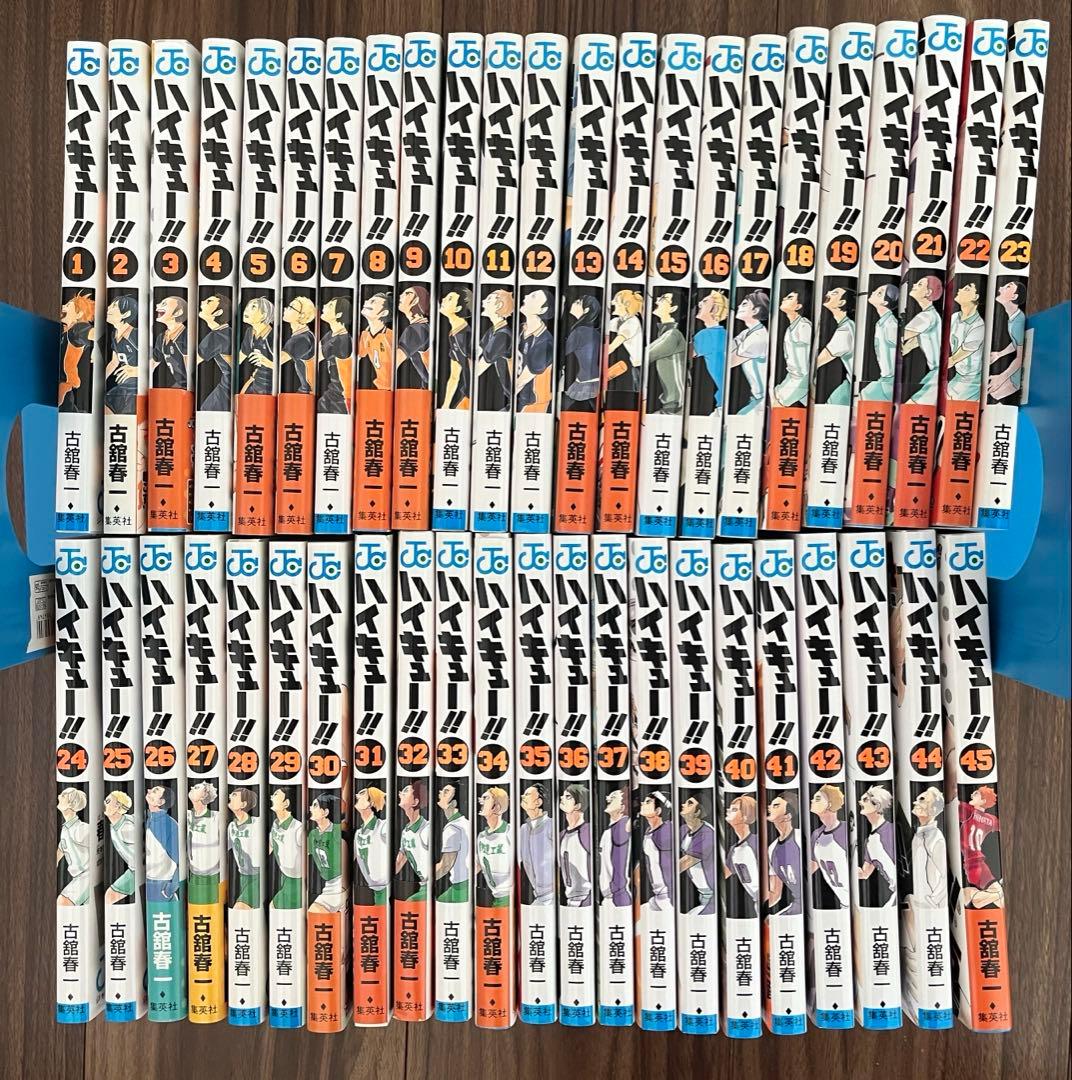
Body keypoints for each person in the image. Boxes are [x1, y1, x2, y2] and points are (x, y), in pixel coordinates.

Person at [958, 785, 1003, 908]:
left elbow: (952, 802)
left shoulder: (969, 812)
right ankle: (968, 896)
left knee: (999, 896)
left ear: (983, 801)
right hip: (978, 864)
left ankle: (968, 896)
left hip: (972, 864)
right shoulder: (991, 819)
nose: (971, 795)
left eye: (976, 794)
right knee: (999, 894)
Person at [726, 291, 770, 414]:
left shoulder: (758, 337)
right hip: (756, 398)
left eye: (744, 304)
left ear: (756, 310)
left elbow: (728, 362)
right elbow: (727, 349)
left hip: (763, 400)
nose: (739, 306)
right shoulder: (746, 332)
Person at [901, 275, 943, 403]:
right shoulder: (932, 314)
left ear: (928, 292)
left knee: (912, 407)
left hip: (936, 374)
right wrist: (907, 347)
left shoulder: (926, 316)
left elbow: (902, 336)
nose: (914, 285)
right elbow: (922, 339)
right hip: (936, 373)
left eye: (919, 284)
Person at [812, 286, 855, 405]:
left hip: (852, 387)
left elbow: (820, 360)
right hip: (849, 384)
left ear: (841, 303)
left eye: (834, 293)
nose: (828, 292)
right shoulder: (847, 325)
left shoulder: (845, 330)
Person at [808, 785, 849, 909]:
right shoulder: (816, 834)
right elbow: (812, 865)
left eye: (817, 798)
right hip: (842, 902)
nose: (812, 800)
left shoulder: (847, 830)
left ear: (829, 804)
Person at [514, 288, 555, 412]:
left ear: (542, 310)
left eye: (533, 296)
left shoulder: (545, 342)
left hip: (531, 406)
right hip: (516, 400)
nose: (526, 295)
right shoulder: (521, 329)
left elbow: (521, 382)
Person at [646, 292, 686, 414]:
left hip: (674, 406)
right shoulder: (666, 332)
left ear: (673, 308)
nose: (657, 300)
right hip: (671, 404)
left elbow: (645, 356)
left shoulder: (672, 334)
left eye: (663, 299)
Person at [604, 288, 644, 410]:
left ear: (626, 305)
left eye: (616, 301)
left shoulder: (633, 322)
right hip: (630, 363)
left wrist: (600, 355)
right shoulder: (618, 320)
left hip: (637, 365)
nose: (613, 303)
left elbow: (615, 343)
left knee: (634, 394)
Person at [475, 289, 514, 411]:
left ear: (498, 305)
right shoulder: (493, 330)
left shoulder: (502, 335)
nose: (483, 301)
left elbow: (477, 370)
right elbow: (477, 351)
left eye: (488, 299)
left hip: (513, 399)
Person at [690, 289, 729, 413]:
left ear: (715, 309)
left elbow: (683, 354)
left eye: (705, 301)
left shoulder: (706, 335)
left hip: (720, 400)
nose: (700, 304)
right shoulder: (724, 333)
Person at [857, 785, 897, 906]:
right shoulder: (870, 839)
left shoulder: (891, 830)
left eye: (865, 800)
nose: (860, 802)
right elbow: (865, 873)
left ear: (877, 805)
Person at [987, 280, 1026, 401]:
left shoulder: (1018, 322)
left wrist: (1001, 378)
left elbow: (1019, 358)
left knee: (993, 395)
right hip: (1013, 372)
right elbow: (1017, 343)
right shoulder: (1014, 317)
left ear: (1014, 297)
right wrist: (999, 354)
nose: (1000, 288)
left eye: (1008, 287)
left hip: (1015, 376)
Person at [859, 284, 899, 401]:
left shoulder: (890, 324)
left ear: (885, 303)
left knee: (866, 395)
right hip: (886, 379)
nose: (874, 292)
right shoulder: (882, 322)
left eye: (880, 293)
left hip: (890, 381)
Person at [562, 294, 602, 412]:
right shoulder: (592, 331)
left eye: (578, 302)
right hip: (588, 380)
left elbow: (561, 352)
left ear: (586, 310)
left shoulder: (579, 331)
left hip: (585, 384)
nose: (573, 303)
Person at [946, 281, 985, 401]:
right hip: (959, 375)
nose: (959, 290)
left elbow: (958, 356)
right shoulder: (954, 317)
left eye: (967, 289)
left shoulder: (979, 325)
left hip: (971, 380)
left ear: (975, 297)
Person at [307, 795, 346, 913]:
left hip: (338, 884)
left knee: (314, 912)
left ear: (326, 812)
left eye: (315, 805)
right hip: (327, 884)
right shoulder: (313, 834)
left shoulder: (337, 832)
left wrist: (343, 890)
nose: (310, 808)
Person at [766, 793, 803, 916]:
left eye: (776, 805)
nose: (769, 807)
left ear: (787, 816)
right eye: (770, 805)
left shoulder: (801, 838)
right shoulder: (772, 849)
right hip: (796, 905)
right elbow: (775, 893)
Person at [773, 290, 812, 407]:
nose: (784, 298)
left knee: (776, 406)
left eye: (790, 298)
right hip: (792, 377)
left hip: (800, 380)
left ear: (798, 306)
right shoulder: (791, 327)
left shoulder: (804, 326)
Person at [723, 795, 760, 917]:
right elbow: (723, 874)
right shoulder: (734, 849)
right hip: (756, 903)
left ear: (745, 816)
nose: (728, 810)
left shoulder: (757, 842)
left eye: (734, 809)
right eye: (729, 808)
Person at [678, 795, 716, 916]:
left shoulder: (707, 833)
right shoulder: (684, 830)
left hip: (712, 895)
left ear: (697, 812)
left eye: (689, 803)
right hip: (701, 892)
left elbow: (685, 863)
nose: (683, 804)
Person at [517, 783, 554, 905]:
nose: (522, 796)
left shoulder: (551, 825)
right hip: (538, 895)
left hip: (553, 895)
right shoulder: (523, 829)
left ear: (538, 802)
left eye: (527, 794)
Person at [436, 287, 473, 409]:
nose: (443, 299)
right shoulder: (454, 334)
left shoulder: (466, 336)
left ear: (458, 309)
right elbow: (454, 377)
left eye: (450, 298)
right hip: (467, 394)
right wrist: (445, 406)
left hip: (475, 397)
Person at [58, 292, 95, 410]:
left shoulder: (77, 329)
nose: (63, 306)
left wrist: (98, 349)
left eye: (68, 305)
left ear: (79, 314)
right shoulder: (64, 332)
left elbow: (96, 334)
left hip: (65, 385)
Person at [434, 783, 470, 903]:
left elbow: (445, 865)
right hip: (468, 882)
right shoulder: (466, 823)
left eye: (446, 792)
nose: (440, 793)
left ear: (453, 803)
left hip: (460, 888)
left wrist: (424, 879)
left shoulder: (453, 828)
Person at [394, 780, 430, 900]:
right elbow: (400, 861)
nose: (400, 793)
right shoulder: (406, 831)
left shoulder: (427, 829)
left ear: (415, 802)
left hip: (431, 886)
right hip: (423, 885)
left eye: (405, 791)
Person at [476, 787, 512, 907]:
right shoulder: (481, 836)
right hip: (495, 897)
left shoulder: (510, 832)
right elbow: (478, 865)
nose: (480, 800)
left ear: (496, 807)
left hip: (509, 897)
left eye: (486, 798)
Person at [316, 295, 352, 414]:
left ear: (338, 315)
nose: (325, 305)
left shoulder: (342, 340)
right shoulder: (330, 335)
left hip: (340, 397)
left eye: (330, 306)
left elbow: (314, 358)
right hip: (332, 392)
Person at [196, 293, 233, 411]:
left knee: (207, 410)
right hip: (230, 385)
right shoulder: (228, 331)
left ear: (218, 313)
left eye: (209, 302)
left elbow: (189, 363)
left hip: (228, 386)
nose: (202, 302)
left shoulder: (217, 337)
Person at [187, 781, 221, 905]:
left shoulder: (215, 817)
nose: (192, 787)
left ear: (204, 795)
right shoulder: (188, 815)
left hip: (210, 876)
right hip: (192, 873)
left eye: (196, 787)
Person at [269, 788, 303, 909]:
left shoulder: (298, 829)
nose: (271, 797)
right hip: (284, 878)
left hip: (296, 882)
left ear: (286, 803)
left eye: (276, 794)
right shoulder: (275, 825)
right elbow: (271, 846)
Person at [353, 786, 389, 905]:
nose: (357, 796)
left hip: (385, 887)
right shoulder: (358, 833)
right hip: (371, 888)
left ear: (371, 803)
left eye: (362, 794)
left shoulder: (383, 826)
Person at [146, 784, 181, 903]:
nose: (149, 790)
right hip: (147, 881)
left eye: (155, 790)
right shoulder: (146, 818)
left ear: (161, 802)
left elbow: (180, 860)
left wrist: (169, 890)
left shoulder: (170, 824)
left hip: (161, 884)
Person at [56, 787, 91, 905]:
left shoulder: (81, 829)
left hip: (86, 877)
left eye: (63, 796)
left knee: (62, 902)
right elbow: (61, 849)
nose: (59, 796)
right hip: (78, 878)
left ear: (72, 804)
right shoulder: (66, 829)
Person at [559, 784, 592, 907]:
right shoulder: (562, 835)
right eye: (563, 795)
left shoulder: (587, 831)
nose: (561, 798)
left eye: (568, 796)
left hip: (586, 900)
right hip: (569, 901)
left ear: (578, 805)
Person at [105, 294, 139, 414]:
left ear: (126, 314)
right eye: (110, 305)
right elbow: (114, 362)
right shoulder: (114, 333)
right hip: (123, 385)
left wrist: (137, 370)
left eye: (114, 307)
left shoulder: (135, 335)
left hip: (135, 387)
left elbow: (154, 359)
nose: (108, 309)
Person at [103, 791, 139, 905]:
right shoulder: (118, 823)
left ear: (118, 807)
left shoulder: (126, 828)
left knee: (110, 896)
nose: (104, 803)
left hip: (140, 870)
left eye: (108, 801)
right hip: (135, 869)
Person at [639, 791, 673, 910]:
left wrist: (664, 799)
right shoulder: (649, 830)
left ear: (658, 811)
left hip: (667, 895)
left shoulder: (667, 829)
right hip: (657, 893)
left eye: (648, 802)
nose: (642, 803)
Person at [598, 786, 631, 907]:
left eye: (614, 797)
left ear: (622, 807)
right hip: (608, 898)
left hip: (618, 898)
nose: (608, 798)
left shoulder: (624, 825)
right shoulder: (609, 830)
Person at [227, 787, 259, 909]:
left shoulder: (257, 823)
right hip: (243, 876)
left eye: (234, 795)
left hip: (257, 876)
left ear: (243, 804)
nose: (230, 796)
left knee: (240, 908)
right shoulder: (232, 826)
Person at [395, 286, 431, 390]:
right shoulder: (422, 327)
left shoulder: (415, 330)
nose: (400, 296)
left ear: (416, 301)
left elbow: (391, 363)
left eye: (407, 293)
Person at [237, 296, 274, 395]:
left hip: (270, 388)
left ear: (263, 315)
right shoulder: (250, 332)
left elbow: (285, 366)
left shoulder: (273, 335)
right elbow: (239, 358)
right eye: (247, 306)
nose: (246, 310)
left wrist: (266, 362)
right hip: (255, 382)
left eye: (253, 307)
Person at [279, 295, 316, 394]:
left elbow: (275, 363)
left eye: (291, 307)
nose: (285, 308)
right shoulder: (305, 334)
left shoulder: (301, 339)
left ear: (302, 315)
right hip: (305, 390)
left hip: (307, 392)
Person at [357, 292, 393, 390]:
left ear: (383, 313)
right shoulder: (365, 335)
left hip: (391, 388)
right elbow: (357, 357)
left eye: (373, 301)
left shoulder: (390, 336)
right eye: (368, 300)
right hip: (377, 387)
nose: (366, 302)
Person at [152, 295, 188, 388]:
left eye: (164, 304)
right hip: (180, 385)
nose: (157, 305)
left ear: (178, 312)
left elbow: (190, 370)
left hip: (188, 387)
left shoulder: (186, 336)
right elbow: (153, 362)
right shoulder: (162, 337)